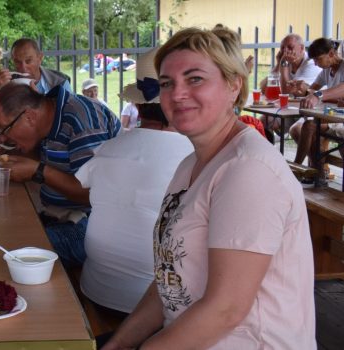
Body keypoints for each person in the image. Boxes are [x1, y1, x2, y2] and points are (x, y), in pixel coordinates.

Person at [104, 27, 315, 350]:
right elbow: (169, 278)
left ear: (234, 86)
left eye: (195, 79)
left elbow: (225, 309)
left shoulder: (249, 170)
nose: (177, 94)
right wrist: (117, 344)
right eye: (166, 83)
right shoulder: (192, 163)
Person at [76, 47, 193, 316]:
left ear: (137, 105)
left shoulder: (107, 148)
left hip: (96, 290)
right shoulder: (193, 157)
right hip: (155, 309)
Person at [0, 83, 121, 268]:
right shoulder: (51, 114)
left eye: (3, 129)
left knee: (9, 254)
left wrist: (37, 171)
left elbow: (94, 194)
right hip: (61, 217)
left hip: (94, 228)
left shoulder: (82, 122)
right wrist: (7, 147)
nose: (3, 136)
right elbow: (52, 160)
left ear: (29, 116)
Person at [0, 38, 72, 126]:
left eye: (28, 61)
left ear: (40, 58)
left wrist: (38, 101)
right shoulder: (7, 84)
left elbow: (71, 117)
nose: (23, 67)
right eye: (17, 62)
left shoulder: (59, 82)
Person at [294, 38, 344, 170]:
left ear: (331, 54)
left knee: (308, 127)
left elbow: (337, 91)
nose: (316, 64)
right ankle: (316, 172)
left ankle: (299, 169)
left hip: (339, 119)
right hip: (333, 115)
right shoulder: (326, 71)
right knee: (302, 128)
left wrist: (318, 95)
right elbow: (313, 90)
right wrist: (304, 89)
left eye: (318, 59)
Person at [259, 34, 322, 137]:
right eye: (282, 48)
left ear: (301, 48)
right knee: (263, 121)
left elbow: (286, 93)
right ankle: (266, 152)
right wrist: (278, 63)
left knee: (296, 130)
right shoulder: (287, 61)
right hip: (290, 111)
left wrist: (283, 64)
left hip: (309, 113)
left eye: (290, 47)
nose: (285, 52)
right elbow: (263, 88)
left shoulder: (311, 63)